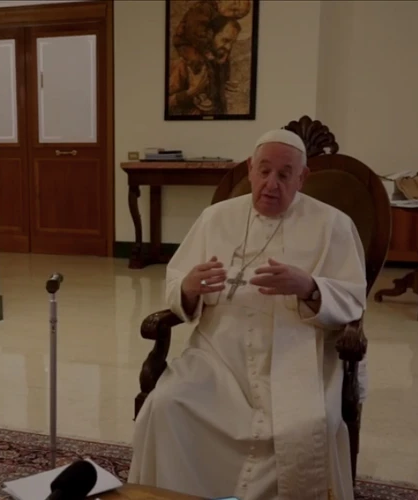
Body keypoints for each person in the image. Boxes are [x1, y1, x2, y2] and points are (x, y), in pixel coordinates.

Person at [129, 129, 367, 500]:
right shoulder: (215, 218)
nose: (271, 184)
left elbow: (353, 298)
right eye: (264, 171)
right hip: (218, 353)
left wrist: (309, 286)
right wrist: (189, 287)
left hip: (298, 353)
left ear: (302, 177)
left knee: (305, 426)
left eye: (284, 174)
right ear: (250, 170)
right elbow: (176, 282)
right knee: (167, 404)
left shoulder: (333, 224)